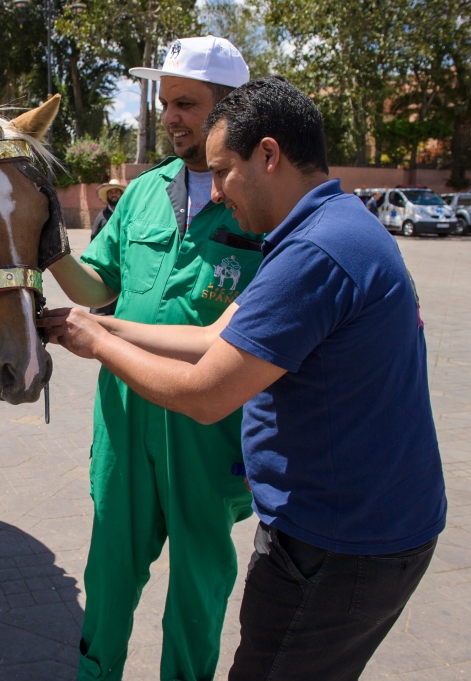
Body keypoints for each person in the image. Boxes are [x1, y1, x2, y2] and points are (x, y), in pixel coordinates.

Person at [41, 76, 445, 681]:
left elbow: (205, 393)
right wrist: (100, 325)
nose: (219, 190)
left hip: (339, 541)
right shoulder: (325, 228)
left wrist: (98, 341)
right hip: (353, 523)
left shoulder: (314, 253)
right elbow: (212, 338)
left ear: (270, 155)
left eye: (224, 170)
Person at [47, 36, 258, 681]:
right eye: (165, 102)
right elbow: (98, 287)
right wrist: (50, 250)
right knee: (108, 565)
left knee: (199, 579)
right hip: (123, 413)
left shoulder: (257, 201)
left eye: (187, 104)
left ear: (230, 108)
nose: (170, 117)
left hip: (206, 423)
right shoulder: (142, 192)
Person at [88, 179, 127, 315]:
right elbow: (94, 242)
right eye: (111, 192)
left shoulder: (126, 214)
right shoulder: (102, 217)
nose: (114, 194)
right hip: (106, 263)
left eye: (116, 191)